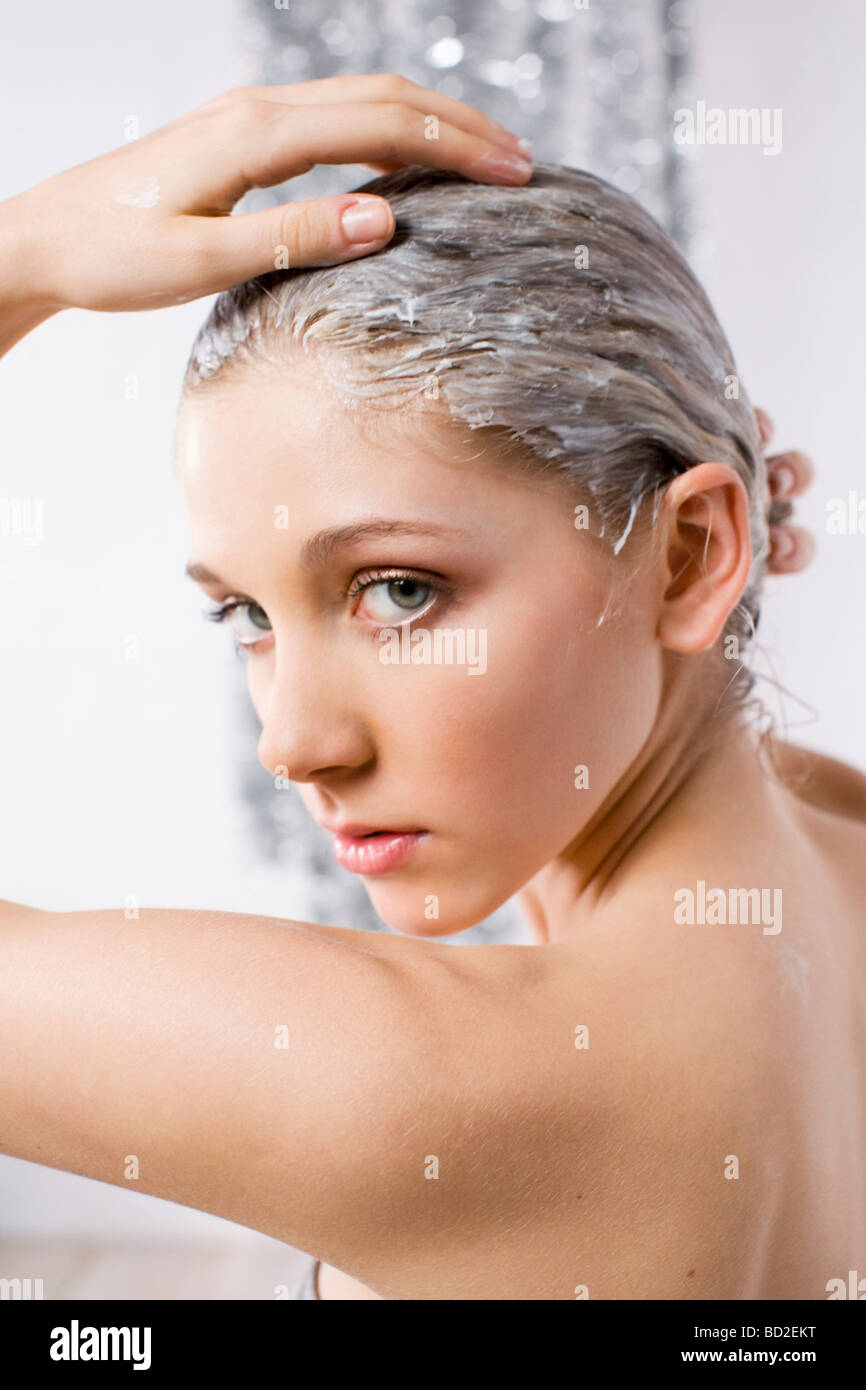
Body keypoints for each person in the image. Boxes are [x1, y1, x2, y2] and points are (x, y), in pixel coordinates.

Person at [0, 75, 856, 1302]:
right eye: (242, 614)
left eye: (397, 590)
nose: (291, 742)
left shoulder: (418, 1089)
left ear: (688, 552)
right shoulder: (835, 853)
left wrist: (23, 249)